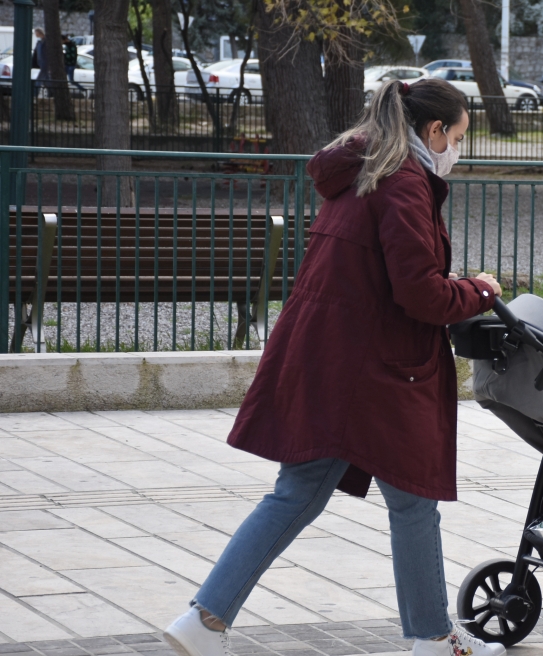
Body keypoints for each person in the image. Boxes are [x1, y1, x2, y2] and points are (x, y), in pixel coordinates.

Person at [162, 78, 506, 656]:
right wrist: (479, 291)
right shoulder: (403, 184)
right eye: (459, 137)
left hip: (331, 358)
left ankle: (202, 620)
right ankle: (430, 638)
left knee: (300, 494)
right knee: (412, 501)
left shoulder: (362, 173)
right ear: (434, 131)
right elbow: (419, 294)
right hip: (375, 373)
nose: (458, 151)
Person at [32, 28, 46, 93]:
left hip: (45, 64)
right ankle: (52, 93)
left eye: (36, 33)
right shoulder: (39, 42)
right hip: (41, 63)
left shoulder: (45, 42)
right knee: (47, 80)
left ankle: (34, 93)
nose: (35, 35)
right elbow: (36, 53)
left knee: (39, 81)